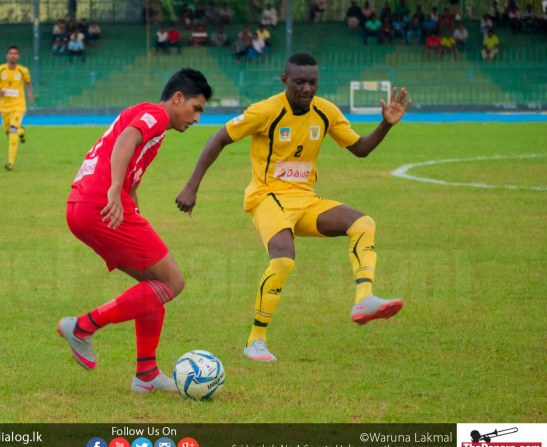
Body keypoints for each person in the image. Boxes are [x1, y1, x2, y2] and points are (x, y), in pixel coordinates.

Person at [175, 53, 409, 361]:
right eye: (299, 82)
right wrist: (192, 186)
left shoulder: (325, 111)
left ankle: (364, 298)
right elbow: (219, 138)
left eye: (313, 82)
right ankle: (256, 340)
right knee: (284, 260)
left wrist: (385, 125)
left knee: (364, 224)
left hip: (305, 199)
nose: (307, 89)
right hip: (266, 196)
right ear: (285, 81)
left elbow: (360, 148)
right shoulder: (266, 111)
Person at [59, 69, 213, 393]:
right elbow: (126, 139)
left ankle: (146, 375)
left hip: (82, 205)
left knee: (154, 284)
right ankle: (82, 328)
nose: (197, 118)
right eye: (196, 108)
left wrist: (129, 201)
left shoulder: (155, 127)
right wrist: (114, 190)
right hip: (101, 202)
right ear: (178, 98)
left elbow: (131, 176)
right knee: (173, 281)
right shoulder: (155, 113)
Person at [0, 45, 34, 171]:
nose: (13, 55)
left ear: (18, 56)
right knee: (10, 134)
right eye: (10, 53)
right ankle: (21, 131)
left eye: (15, 53)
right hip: (4, 107)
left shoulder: (23, 70)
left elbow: (28, 83)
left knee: (12, 130)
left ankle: (10, 163)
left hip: (18, 105)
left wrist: (30, 93)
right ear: (6, 56)